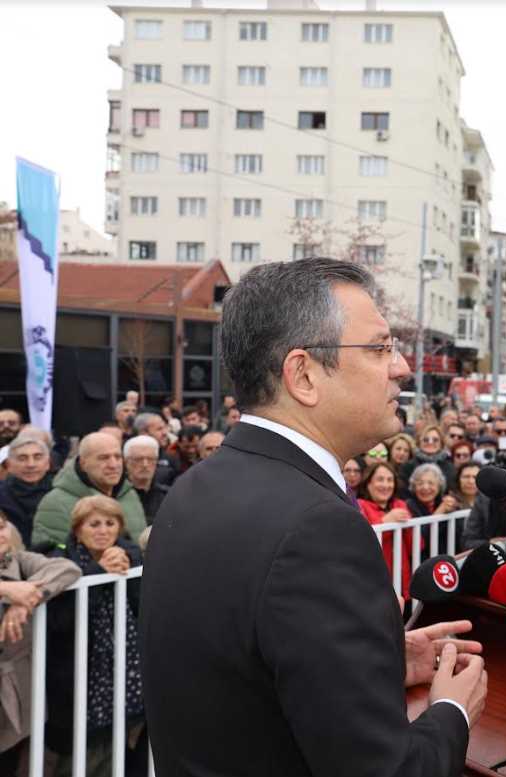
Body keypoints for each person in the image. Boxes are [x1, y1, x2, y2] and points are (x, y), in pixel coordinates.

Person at [141, 259, 486, 777]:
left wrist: (380, 666)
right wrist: (451, 713)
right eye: (379, 348)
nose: (402, 369)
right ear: (303, 374)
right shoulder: (319, 528)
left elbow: (248, 683)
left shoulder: (195, 487)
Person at [45, 495, 145, 776]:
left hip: (128, 678)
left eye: (110, 523)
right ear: (77, 529)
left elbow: (142, 610)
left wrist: (130, 567)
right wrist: (96, 573)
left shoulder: (132, 557)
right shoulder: (59, 561)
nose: (103, 530)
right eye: (94, 524)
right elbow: (61, 621)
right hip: (78, 679)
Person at [0, 513, 80, 774]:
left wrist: (26, 599)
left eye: (2, 528)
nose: (1, 535)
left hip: (13, 686)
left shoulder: (18, 560)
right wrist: (7, 590)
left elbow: (67, 569)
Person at [32, 432, 147, 549]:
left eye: (117, 457)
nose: (113, 464)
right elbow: (50, 555)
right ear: (83, 463)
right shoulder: (55, 503)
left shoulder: (129, 494)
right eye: (103, 458)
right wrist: (96, 565)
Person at [357, 460, 414, 602]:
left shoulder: (400, 504)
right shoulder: (360, 506)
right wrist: (385, 521)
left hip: (402, 580)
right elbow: (361, 543)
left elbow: (416, 546)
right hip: (374, 583)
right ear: (368, 483)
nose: (386, 485)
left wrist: (409, 526)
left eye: (390, 480)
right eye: (380, 480)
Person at [0, 434, 54, 546]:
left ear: (48, 463)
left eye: (37, 457)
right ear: (9, 465)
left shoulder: (60, 493)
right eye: (22, 458)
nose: (31, 464)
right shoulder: (2, 496)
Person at [123, 435, 169, 524]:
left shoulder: (168, 496)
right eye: (138, 459)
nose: (145, 464)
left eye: (151, 459)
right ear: (126, 462)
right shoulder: (117, 496)